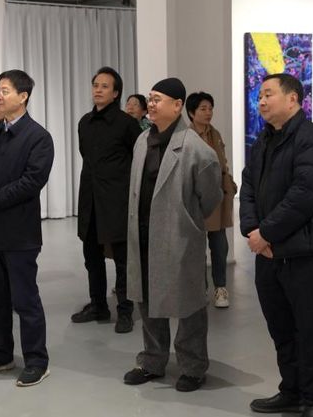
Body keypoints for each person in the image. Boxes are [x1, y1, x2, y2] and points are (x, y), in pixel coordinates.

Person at [240, 73, 313, 417]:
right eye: (259, 96)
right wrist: (252, 230)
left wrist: (266, 234)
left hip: (301, 253)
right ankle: (292, 391)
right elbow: (248, 187)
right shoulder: (263, 142)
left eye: (268, 94)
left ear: (293, 99)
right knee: (280, 328)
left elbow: (304, 196)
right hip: (268, 254)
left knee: (308, 330)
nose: (261, 101)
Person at [123, 78, 222, 392]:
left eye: (158, 99)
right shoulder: (142, 141)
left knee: (189, 302)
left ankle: (193, 367)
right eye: (150, 98)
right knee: (147, 298)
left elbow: (211, 198)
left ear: (177, 106)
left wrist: (186, 220)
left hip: (178, 235)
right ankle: (153, 361)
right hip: (142, 232)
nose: (151, 104)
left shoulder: (197, 149)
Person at [0, 69, 54, 387]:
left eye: (4, 90)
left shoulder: (38, 137)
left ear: (23, 96)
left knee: (25, 300)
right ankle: (2, 353)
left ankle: (37, 360)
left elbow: (32, 181)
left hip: (19, 233)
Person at [72, 66, 141, 333]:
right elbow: (86, 156)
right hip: (90, 198)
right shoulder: (84, 123)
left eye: (104, 86)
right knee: (91, 256)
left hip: (117, 200)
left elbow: (138, 159)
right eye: (95, 85)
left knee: (123, 260)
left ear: (115, 93)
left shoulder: (127, 124)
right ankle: (98, 305)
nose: (98, 90)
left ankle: (125, 310)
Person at [186, 92, 238, 308]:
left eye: (210, 108)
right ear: (191, 113)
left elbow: (222, 162)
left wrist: (230, 184)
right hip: (196, 197)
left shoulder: (214, 133)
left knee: (219, 245)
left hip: (217, 195)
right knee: (196, 247)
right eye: (203, 109)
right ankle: (200, 289)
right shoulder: (186, 136)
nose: (208, 113)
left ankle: (221, 288)